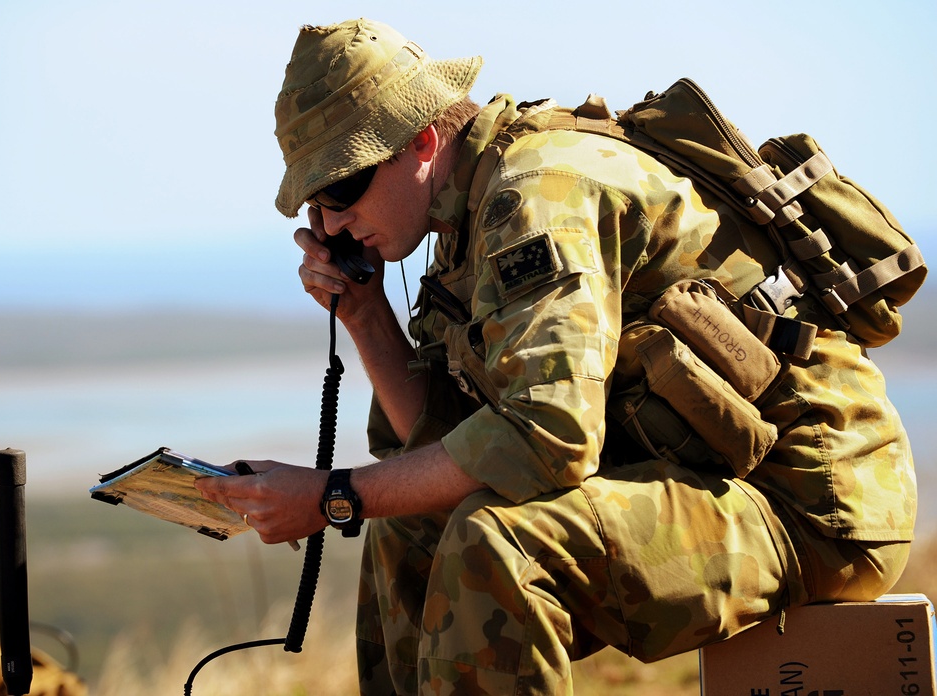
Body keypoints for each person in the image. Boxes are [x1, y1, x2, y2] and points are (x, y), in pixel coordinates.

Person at [196, 17, 917, 695]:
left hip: (812, 505)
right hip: (707, 481)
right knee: (408, 523)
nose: (332, 224)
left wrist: (330, 496)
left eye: (343, 188)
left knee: (496, 546)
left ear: (421, 140)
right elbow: (445, 449)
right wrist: (364, 315)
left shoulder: (535, 196)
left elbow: (549, 441)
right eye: (314, 205)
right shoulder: (464, 220)